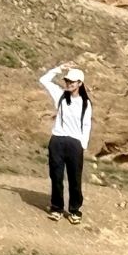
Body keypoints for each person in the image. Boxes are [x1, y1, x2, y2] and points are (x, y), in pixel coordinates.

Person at [38, 62, 92, 224]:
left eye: (72, 82)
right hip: (58, 141)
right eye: (67, 81)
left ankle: (75, 210)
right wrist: (60, 68)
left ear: (80, 84)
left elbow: (87, 124)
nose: (69, 84)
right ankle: (57, 208)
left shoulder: (85, 103)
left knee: (74, 178)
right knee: (56, 176)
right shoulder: (60, 95)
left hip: (75, 144)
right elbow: (44, 80)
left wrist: (83, 144)